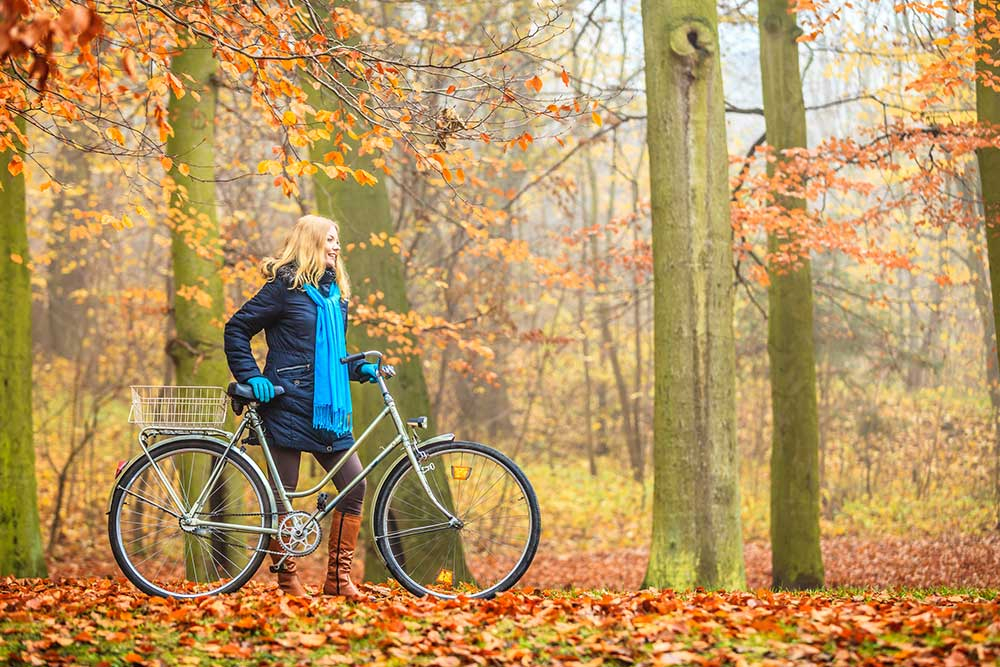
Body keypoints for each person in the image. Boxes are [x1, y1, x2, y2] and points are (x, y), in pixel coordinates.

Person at [223, 214, 378, 599]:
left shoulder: (336, 299)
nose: (337, 246)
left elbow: (333, 356)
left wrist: (362, 368)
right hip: (286, 402)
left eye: (337, 239)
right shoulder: (283, 288)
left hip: (328, 411)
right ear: (311, 242)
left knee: (354, 485)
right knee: (283, 496)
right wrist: (252, 375)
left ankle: (337, 580)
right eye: (330, 239)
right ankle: (287, 579)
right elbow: (237, 328)